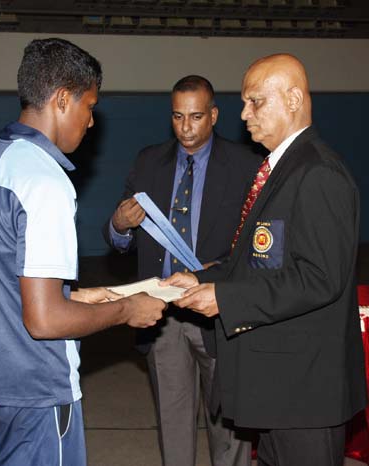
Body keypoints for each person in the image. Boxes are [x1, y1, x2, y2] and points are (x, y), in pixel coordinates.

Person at [0, 38, 166, 466]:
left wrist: (80, 296)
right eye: (90, 106)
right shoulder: (43, 180)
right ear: (63, 99)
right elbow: (45, 320)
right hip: (35, 390)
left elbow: (2, 279)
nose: (91, 121)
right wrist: (127, 310)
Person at [164, 54, 368, 466]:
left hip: (306, 393)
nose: (244, 115)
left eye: (255, 102)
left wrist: (224, 299)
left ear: (293, 100)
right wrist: (203, 279)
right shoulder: (281, 169)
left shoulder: (318, 173)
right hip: (280, 389)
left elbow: (319, 278)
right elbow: (261, 261)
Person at [103, 75, 261, 466]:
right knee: (173, 422)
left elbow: (259, 249)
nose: (186, 127)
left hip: (217, 308)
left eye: (195, 117)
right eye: (177, 117)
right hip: (161, 313)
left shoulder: (246, 166)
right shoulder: (148, 162)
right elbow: (120, 240)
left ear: (214, 115)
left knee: (229, 424)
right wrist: (119, 225)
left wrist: (217, 271)